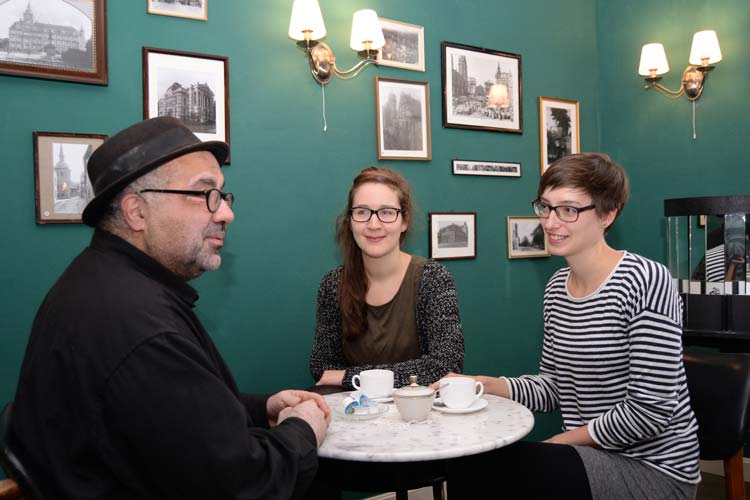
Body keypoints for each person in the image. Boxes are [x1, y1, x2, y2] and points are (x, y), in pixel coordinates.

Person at [8, 117, 330, 500]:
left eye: (223, 195)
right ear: (137, 213)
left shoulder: (102, 282)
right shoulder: (138, 327)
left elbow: (166, 418)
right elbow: (246, 484)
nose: (226, 213)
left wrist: (262, 409)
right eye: (203, 194)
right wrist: (302, 428)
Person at [443, 153, 700, 500]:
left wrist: (557, 443)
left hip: (653, 469)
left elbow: (649, 411)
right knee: (468, 464)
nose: (550, 222)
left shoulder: (647, 280)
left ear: (608, 214)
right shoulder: (556, 288)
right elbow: (554, 387)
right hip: (588, 454)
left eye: (569, 210)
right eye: (546, 207)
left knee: (504, 471)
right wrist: (485, 384)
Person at [310, 166, 464, 390]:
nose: (373, 224)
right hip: (358, 413)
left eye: (386, 212)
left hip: (420, 413)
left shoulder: (433, 279)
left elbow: (446, 365)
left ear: (404, 221)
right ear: (350, 221)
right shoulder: (333, 285)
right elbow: (322, 367)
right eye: (362, 212)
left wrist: (349, 376)